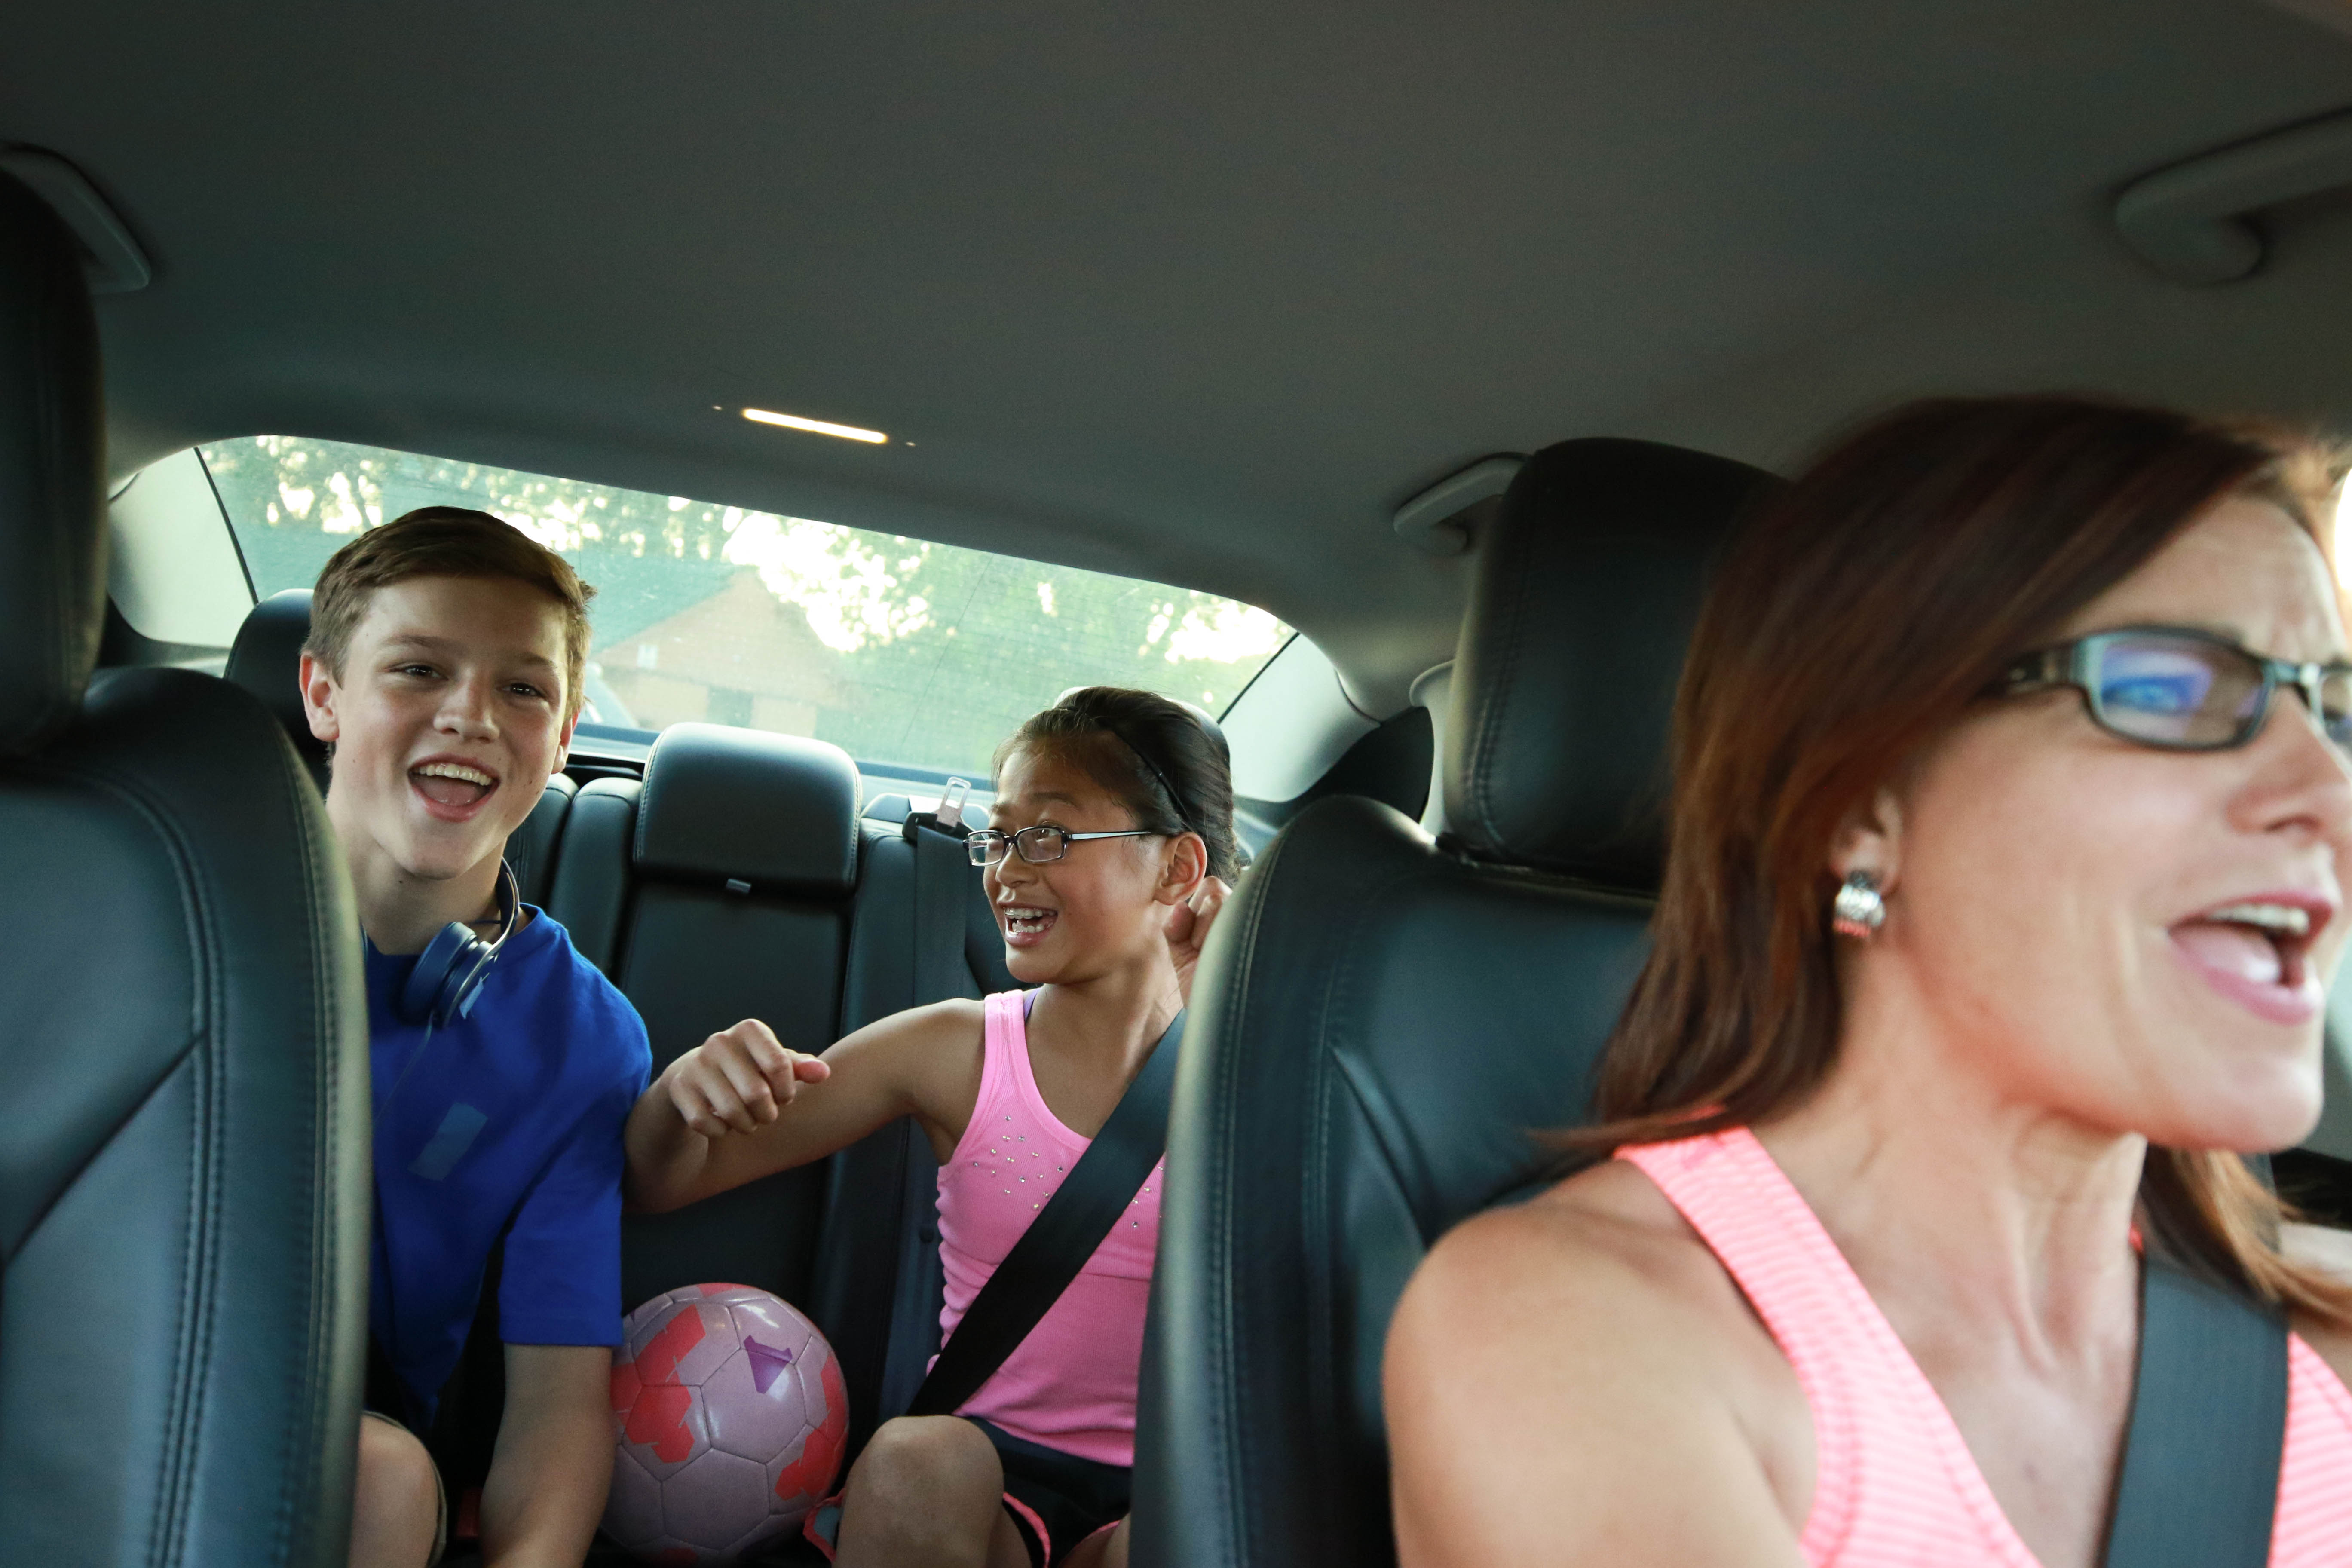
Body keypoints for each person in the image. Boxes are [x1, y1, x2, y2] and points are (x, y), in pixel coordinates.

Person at [1385, 397, 2352, 1568]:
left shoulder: (2323, 1330)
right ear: (1860, 803)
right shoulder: (1575, 1331)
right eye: (2169, 690)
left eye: (2338, 710)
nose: (2329, 790)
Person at [624, 687, 1237, 1568]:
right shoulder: (956, 1050)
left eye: (1051, 836)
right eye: (999, 836)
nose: (1006, 869)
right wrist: (683, 1099)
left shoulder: (1259, 1073)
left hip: (1173, 1495)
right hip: (982, 1490)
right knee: (916, 1458)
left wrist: (1236, 1035)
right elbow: (661, 1181)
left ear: (1177, 869)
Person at [299, 508, 652, 1568]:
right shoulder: (158, 906)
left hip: (340, 1450)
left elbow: (556, 1402)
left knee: (383, 1477)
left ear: (568, 726)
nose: (471, 717)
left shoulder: (579, 1041)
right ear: (324, 692)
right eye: (417, 670)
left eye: (523, 688)